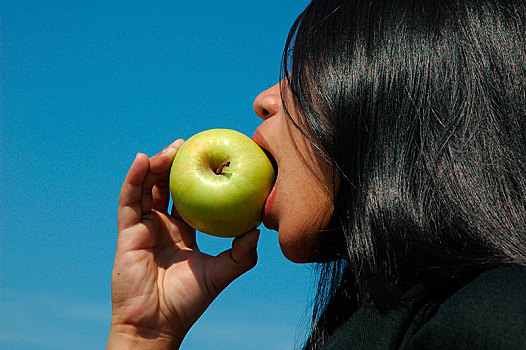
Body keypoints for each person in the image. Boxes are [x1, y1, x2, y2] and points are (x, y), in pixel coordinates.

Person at [107, 0, 526, 349]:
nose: (264, 100)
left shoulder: (495, 319)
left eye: (309, 66)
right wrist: (142, 335)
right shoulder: (380, 324)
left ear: (396, 91)